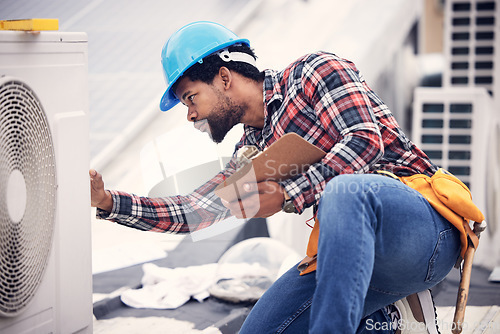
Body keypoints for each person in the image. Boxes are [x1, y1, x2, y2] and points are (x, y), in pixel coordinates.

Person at [90, 21, 461, 333]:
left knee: (347, 192)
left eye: (190, 98)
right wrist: (109, 202)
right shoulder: (250, 154)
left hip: (424, 230)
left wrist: (287, 196)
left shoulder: (315, 72)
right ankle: (381, 320)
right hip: (352, 259)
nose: (190, 115)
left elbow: (366, 141)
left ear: (223, 77)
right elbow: (193, 211)